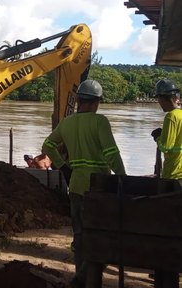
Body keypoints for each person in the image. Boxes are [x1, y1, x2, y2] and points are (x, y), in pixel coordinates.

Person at [41, 79, 125, 288]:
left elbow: (48, 145)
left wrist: (64, 167)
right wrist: (124, 177)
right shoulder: (100, 122)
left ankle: (82, 274)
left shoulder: (67, 123)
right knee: (103, 235)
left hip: (76, 186)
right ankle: (84, 279)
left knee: (79, 236)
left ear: (78, 100)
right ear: (97, 101)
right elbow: (112, 154)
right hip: (99, 189)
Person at [151, 79, 182, 180]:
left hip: (174, 174)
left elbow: (165, 147)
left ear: (162, 98)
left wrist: (158, 137)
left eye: (158, 99)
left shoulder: (171, 116)